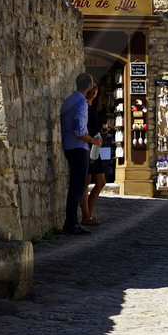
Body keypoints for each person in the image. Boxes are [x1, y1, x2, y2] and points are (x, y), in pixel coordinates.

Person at [60, 73, 102, 235]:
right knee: (78, 187)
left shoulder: (69, 100)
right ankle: (71, 223)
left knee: (76, 186)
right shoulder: (82, 103)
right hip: (78, 148)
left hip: (68, 146)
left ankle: (71, 222)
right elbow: (79, 130)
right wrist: (93, 141)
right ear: (89, 86)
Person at [82, 81, 110, 226]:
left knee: (100, 182)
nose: (94, 90)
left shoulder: (93, 107)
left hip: (95, 146)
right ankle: (86, 216)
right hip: (88, 146)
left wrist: (102, 132)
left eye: (96, 88)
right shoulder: (84, 106)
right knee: (86, 182)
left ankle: (88, 215)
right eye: (91, 87)